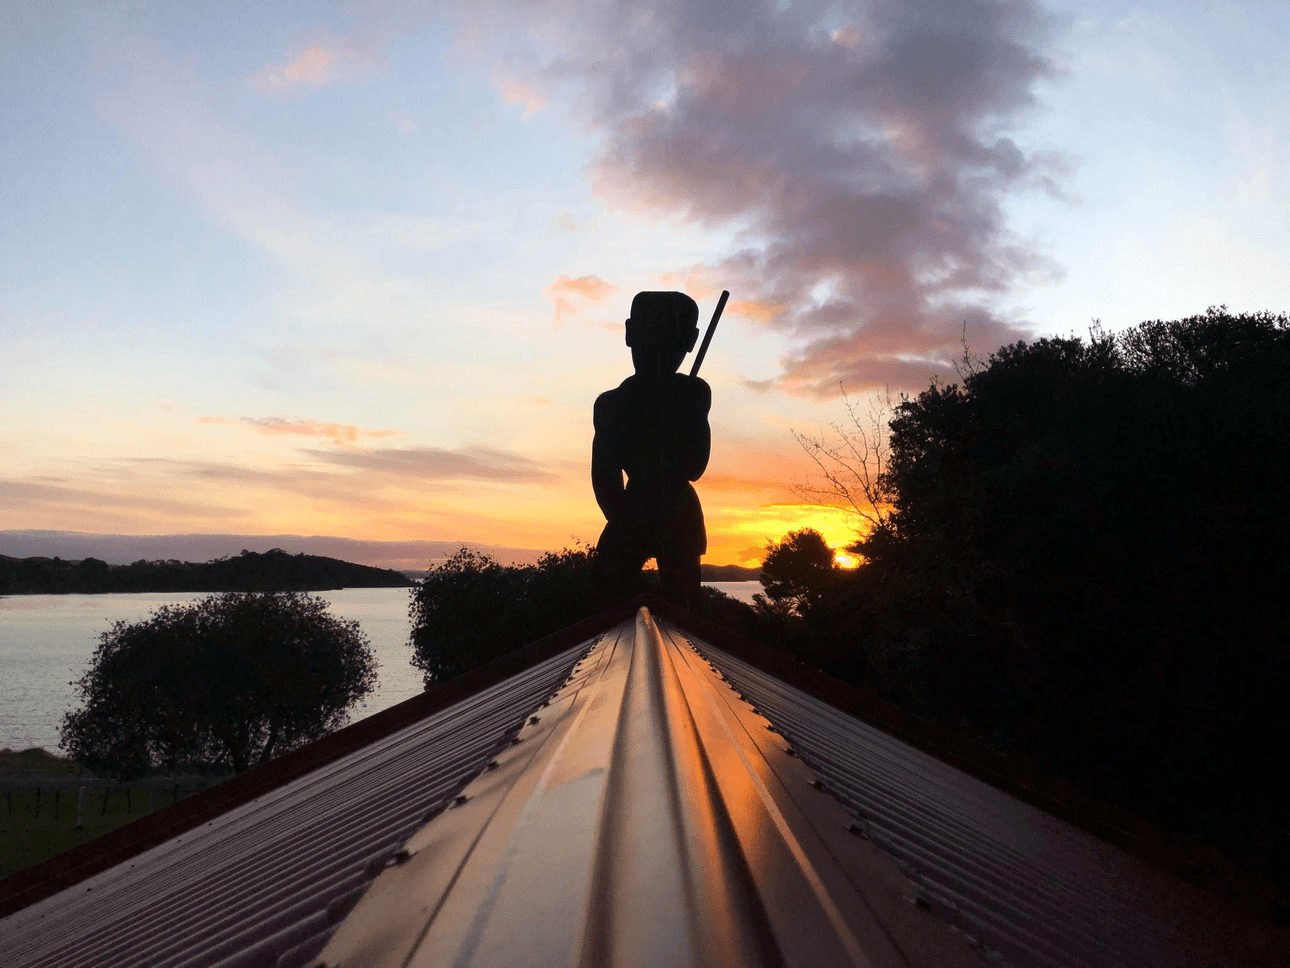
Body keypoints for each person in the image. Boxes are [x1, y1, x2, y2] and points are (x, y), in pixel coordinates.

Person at [592, 291, 711, 609]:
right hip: (638, 512)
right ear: (630, 333)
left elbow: (694, 466)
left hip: (664, 514)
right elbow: (604, 478)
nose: (658, 350)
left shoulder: (693, 394)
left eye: (668, 340)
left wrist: (684, 414)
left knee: (685, 611)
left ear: (691, 340)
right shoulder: (611, 404)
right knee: (606, 605)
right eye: (649, 336)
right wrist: (626, 521)